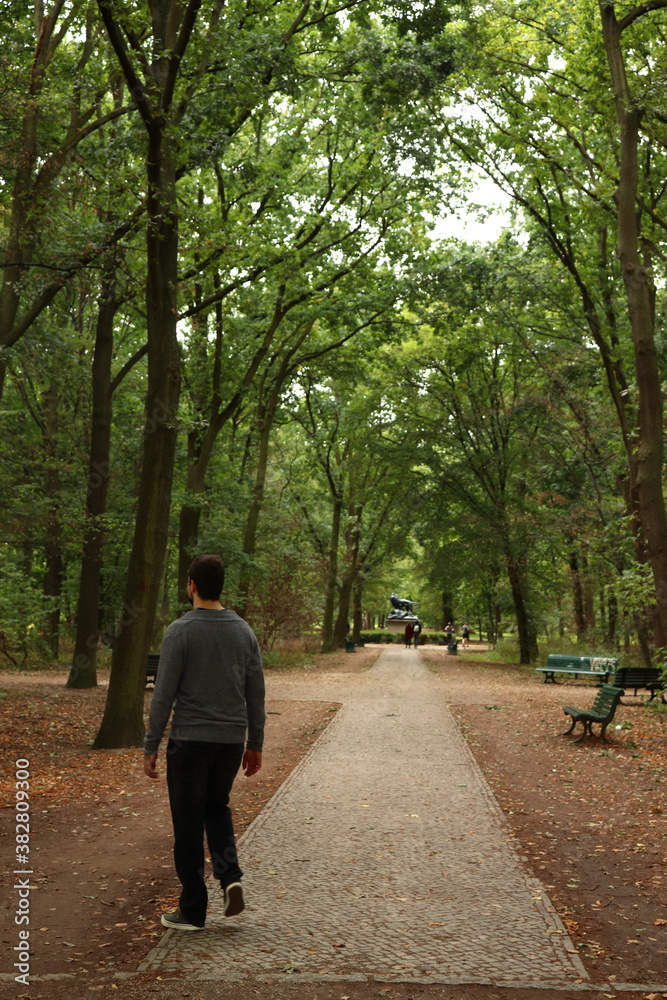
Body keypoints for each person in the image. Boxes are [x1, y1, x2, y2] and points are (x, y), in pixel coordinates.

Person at [143, 553, 265, 932]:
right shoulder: (243, 631)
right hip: (229, 743)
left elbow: (163, 694)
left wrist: (151, 745)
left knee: (188, 823)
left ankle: (193, 911)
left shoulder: (180, 631)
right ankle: (230, 878)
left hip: (189, 742)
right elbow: (256, 692)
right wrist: (255, 742)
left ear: (192, 585)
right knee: (217, 809)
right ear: (220, 586)